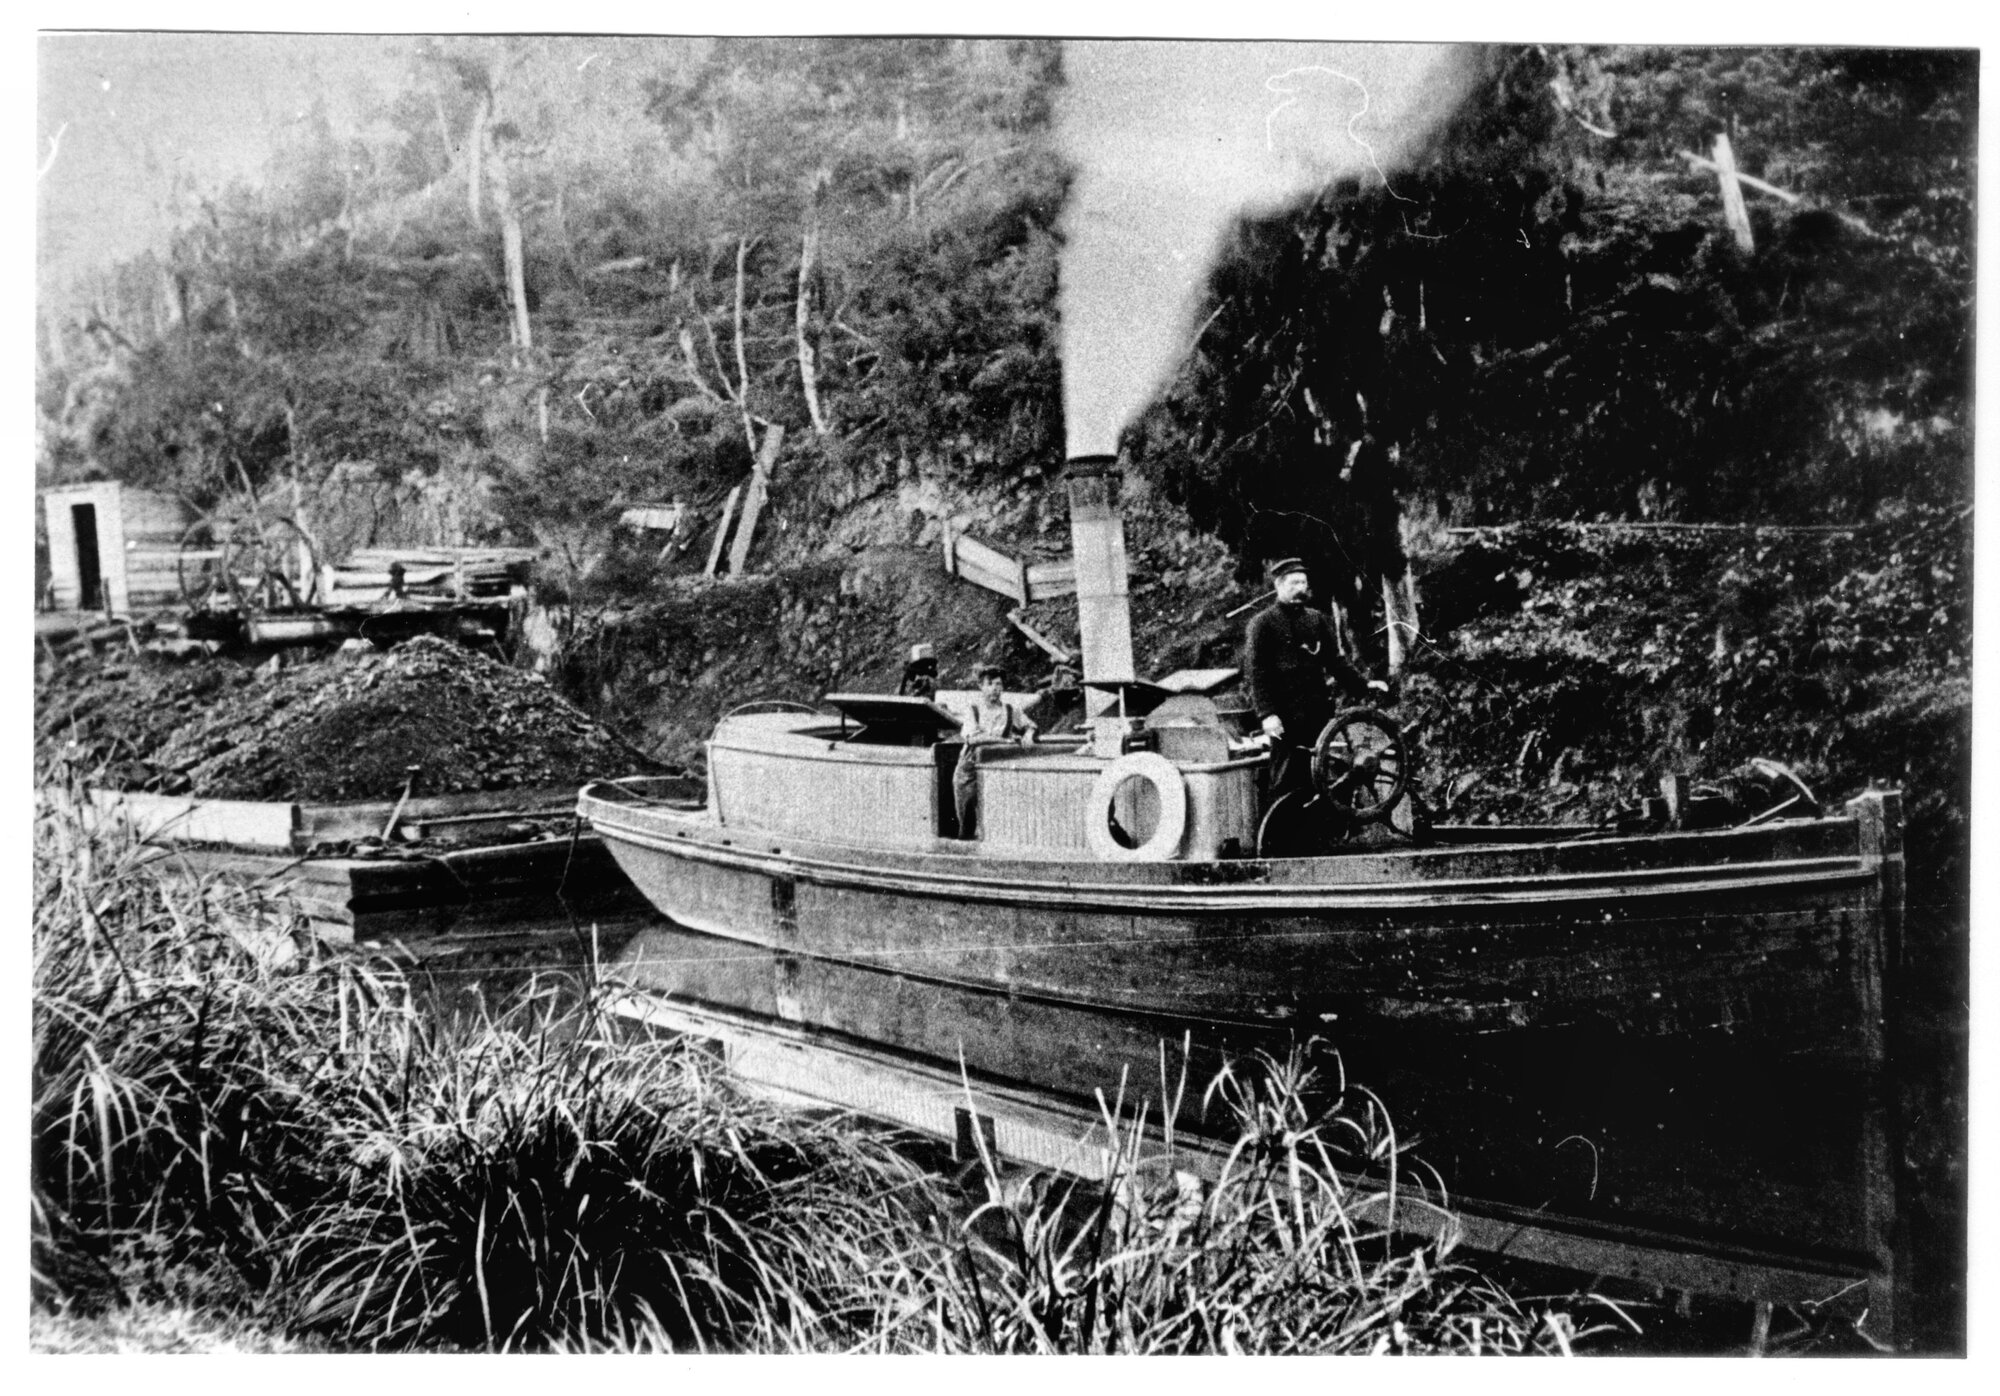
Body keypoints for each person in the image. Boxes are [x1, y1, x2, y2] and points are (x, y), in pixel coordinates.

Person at [1244, 557, 1386, 803]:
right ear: (1279, 585)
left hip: (1317, 712)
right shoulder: (1262, 624)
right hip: (1284, 717)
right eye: (1293, 583)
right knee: (1285, 776)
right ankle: (1282, 825)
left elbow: (1335, 662)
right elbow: (1257, 673)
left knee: (1319, 775)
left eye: (1303, 583)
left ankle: (1319, 826)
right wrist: (1267, 714)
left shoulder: (1316, 619)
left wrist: (1362, 685)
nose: (1300, 588)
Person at [952, 662, 1037, 837]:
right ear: (981, 686)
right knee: (967, 818)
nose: (994, 689)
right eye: (989, 684)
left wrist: (1028, 734)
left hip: (996, 765)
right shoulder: (973, 709)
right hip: (969, 767)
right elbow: (972, 738)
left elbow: (1030, 725)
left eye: (998, 684)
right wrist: (1004, 740)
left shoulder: (1010, 710)